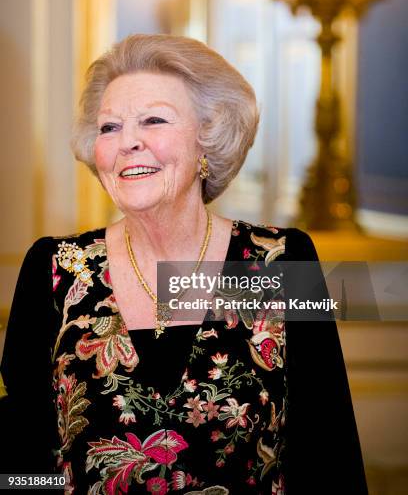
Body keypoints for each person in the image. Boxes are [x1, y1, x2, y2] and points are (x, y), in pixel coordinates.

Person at [0, 34, 367, 494]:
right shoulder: (54, 269)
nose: (128, 141)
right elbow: (20, 465)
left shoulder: (280, 261)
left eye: (153, 120)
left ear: (206, 142)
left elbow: (330, 455)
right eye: (110, 127)